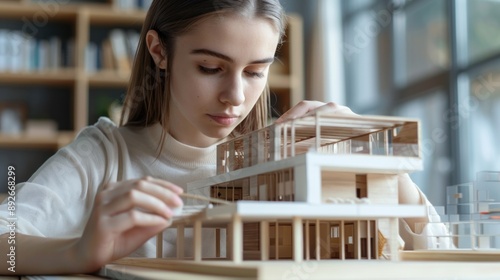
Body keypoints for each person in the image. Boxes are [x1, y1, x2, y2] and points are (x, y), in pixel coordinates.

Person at [0, 0, 450, 276]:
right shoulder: (105, 155)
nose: (236, 97)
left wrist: (380, 165)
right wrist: (79, 252)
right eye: (210, 68)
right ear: (160, 52)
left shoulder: (289, 157)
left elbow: (445, 255)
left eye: (256, 71)